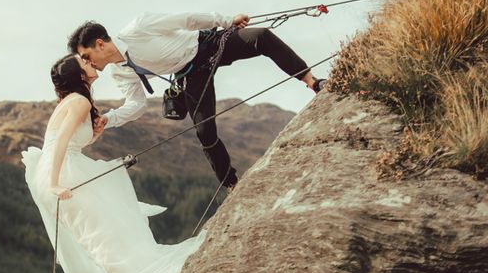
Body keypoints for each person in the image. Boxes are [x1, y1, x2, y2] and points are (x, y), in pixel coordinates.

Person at [21, 54, 206, 273]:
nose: (90, 62)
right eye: (84, 62)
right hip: (62, 173)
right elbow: (61, 142)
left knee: (101, 233)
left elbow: (68, 142)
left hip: (55, 173)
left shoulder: (70, 102)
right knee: (108, 231)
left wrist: (92, 137)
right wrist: (54, 183)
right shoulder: (79, 101)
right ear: (79, 74)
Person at [68, 12, 325, 191]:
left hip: (207, 46)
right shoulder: (119, 71)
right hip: (191, 75)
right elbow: (136, 104)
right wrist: (108, 119)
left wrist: (226, 20)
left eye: (86, 56)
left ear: (100, 44)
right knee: (205, 133)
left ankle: (313, 82)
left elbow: (186, 20)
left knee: (261, 37)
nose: (87, 63)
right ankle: (231, 185)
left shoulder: (138, 28)